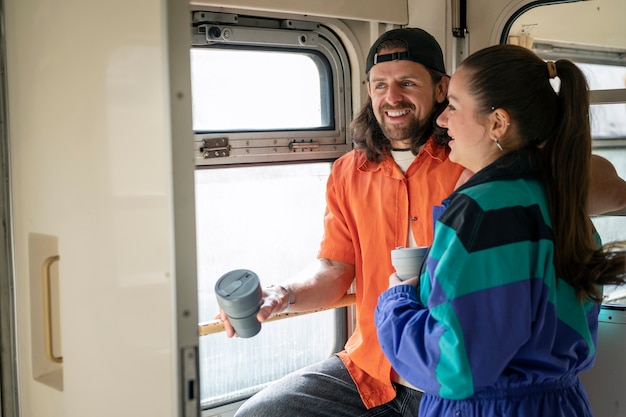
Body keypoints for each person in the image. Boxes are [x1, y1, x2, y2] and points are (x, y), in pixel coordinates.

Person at [221, 28, 626, 417]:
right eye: (379, 84)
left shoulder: (475, 165)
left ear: (440, 88)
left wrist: (515, 172)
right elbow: (335, 266)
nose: (391, 96)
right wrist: (283, 294)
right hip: (372, 367)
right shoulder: (348, 171)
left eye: (407, 83)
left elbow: (595, 184)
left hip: (443, 372)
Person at [374, 44, 626, 416]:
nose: (443, 121)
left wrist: (396, 304)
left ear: (498, 123)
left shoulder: (486, 211)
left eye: (455, 106)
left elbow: (454, 366)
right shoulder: (558, 198)